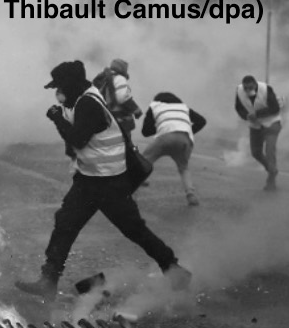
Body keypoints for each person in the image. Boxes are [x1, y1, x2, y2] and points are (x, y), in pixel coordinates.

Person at [15, 60, 191, 298]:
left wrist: (56, 117)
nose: (58, 92)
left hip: (109, 183)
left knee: (134, 230)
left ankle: (173, 269)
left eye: (60, 87)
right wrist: (62, 114)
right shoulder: (83, 98)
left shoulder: (88, 103)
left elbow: (77, 139)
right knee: (65, 224)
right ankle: (49, 280)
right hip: (90, 180)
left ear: (71, 84)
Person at [142, 92, 207, 207]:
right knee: (183, 168)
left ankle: (130, 187)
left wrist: (161, 125)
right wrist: (188, 130)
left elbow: (145, 131)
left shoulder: (155, 106)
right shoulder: (183, 107)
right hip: (184, 139)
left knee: (142, 161)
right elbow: (202, 121)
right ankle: (190, 194)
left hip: (165, 138)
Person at [234, 74, 282, 191]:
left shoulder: (266, 89)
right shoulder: (239, 90)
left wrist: (258, 114)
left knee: (270, 150)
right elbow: (238, 107)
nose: (248, 90)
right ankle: (272, 169)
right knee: (255, 152)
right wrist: (246, 116)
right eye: (246, 88)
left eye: (250, 87)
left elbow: (275, 108)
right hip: (255, 125)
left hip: (271, 123)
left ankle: (271, 178)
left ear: (255, 84)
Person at [93, 58, 142, 132]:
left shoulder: (104, 78)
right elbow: (122, 97)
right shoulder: (119, 78)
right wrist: (136, 110)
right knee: (125, 141)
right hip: (119, 119)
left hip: (105, 117)